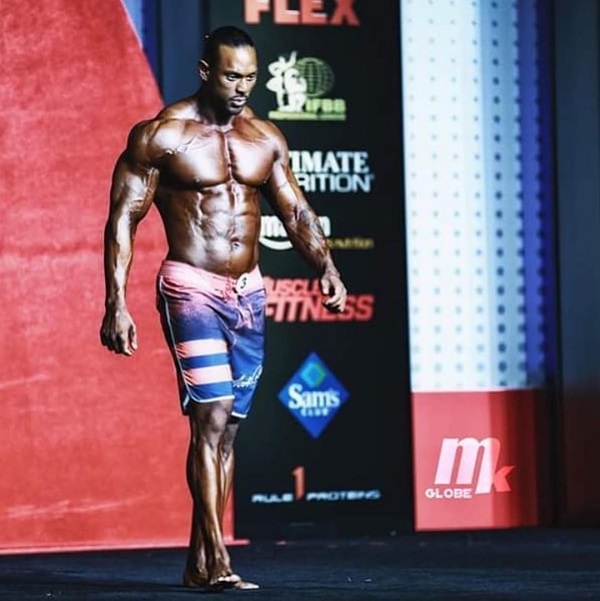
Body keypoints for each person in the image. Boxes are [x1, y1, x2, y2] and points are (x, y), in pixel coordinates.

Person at [99, 25, 347, 591]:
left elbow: (297, 213)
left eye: (251, 77)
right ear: (207, 71)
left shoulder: (265, 137)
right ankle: (220, 560)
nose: (242, 87)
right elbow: (123, 220)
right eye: (232, 75)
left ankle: (198, 563)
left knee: (228, 430)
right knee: (208, 419)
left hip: (249, 292)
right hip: (192, 286)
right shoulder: (160, 136)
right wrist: (116, 301)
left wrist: (327, 268)